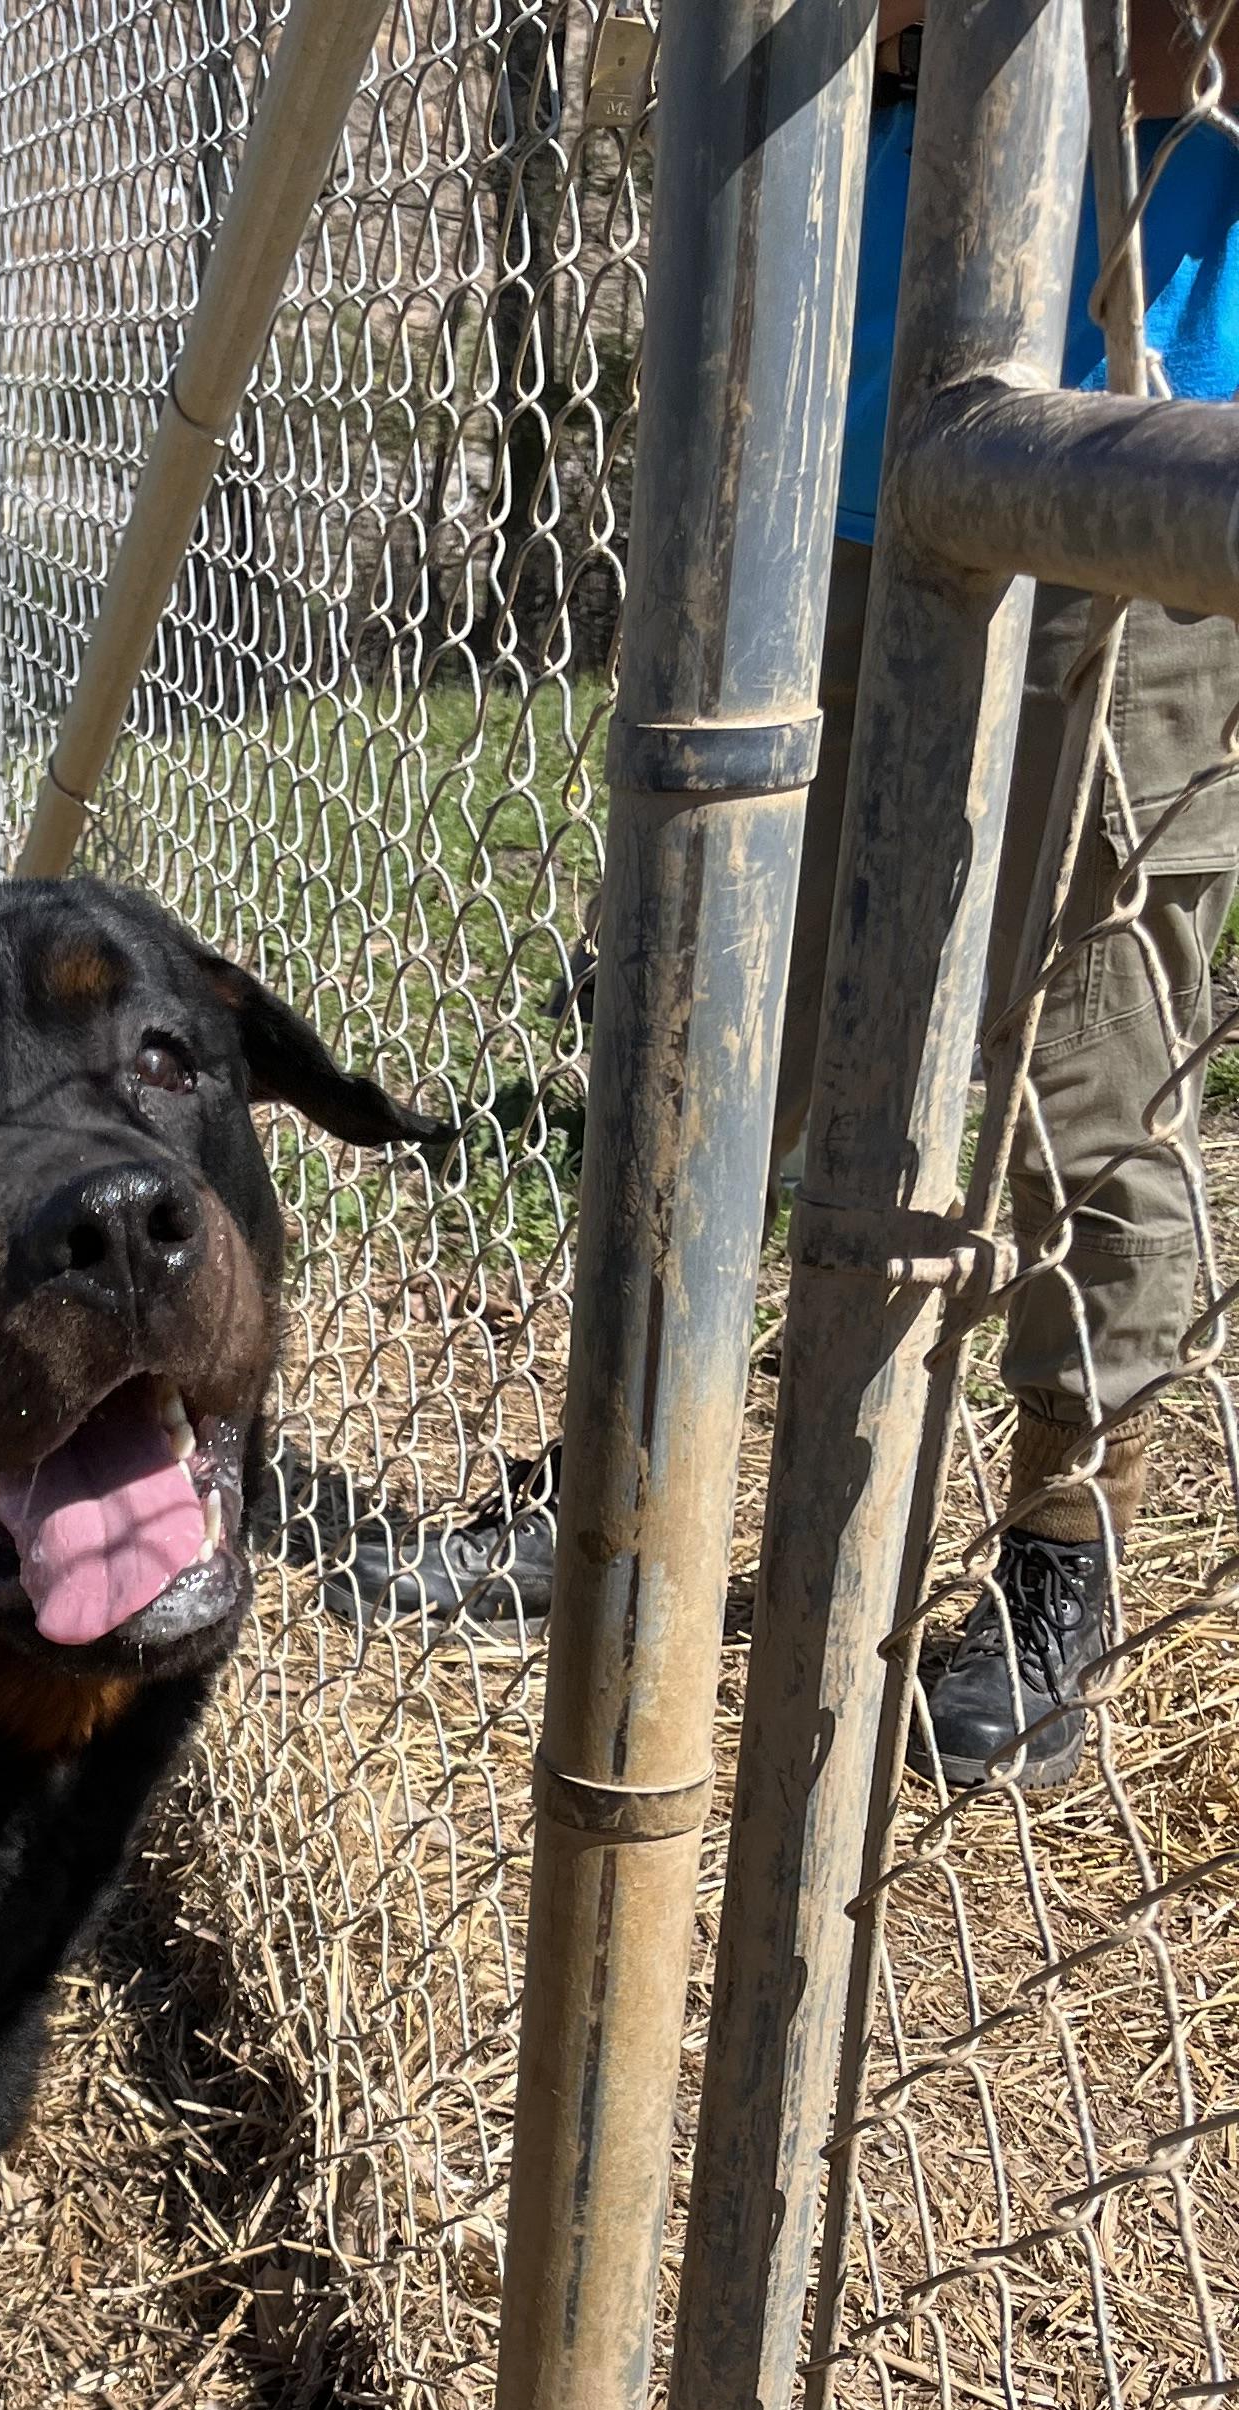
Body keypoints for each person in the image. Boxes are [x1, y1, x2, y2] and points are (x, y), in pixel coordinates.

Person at [328, 7, 1239, 1790]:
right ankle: (626, 1482)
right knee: (729, 1022)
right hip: (829, 468)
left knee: (1081, 1078)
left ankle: (1067, 1552)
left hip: (1137, 449)